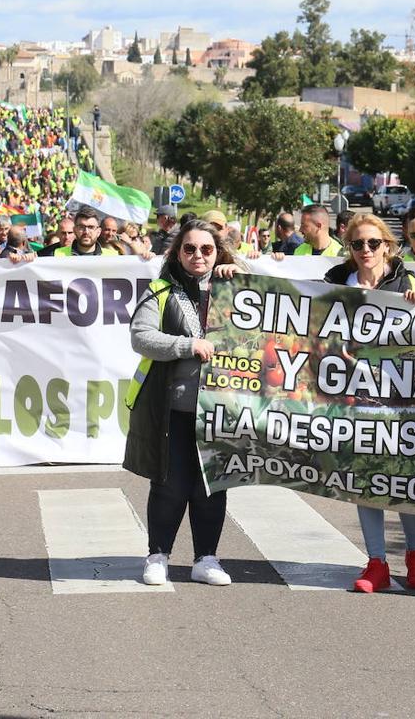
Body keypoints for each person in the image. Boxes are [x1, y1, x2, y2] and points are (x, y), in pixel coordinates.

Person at [322, 214, 415, 592]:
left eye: (373, 243)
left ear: (387, 245)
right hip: (355, 397)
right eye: (358, 245)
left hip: (403, 398)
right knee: (365, 478)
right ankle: (377, 563)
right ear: (349, 249)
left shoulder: (410, 282)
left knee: (405, 477)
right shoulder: (336, 283)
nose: (366, 251)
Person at [126, 219, 241, 587]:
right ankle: (158, 556)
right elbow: (141, 337)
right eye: (189, 248)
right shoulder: (160, 291)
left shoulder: (238, 288)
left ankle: (206, 558)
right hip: (173, 408)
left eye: (207, 249)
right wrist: (185, 346)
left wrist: (241, 275)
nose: (198, 256)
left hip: (222, 410)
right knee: (169, 485)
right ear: (177, 252)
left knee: (211, 487)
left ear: (217, 252)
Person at [53, 208, 119, 257]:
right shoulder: (58, 255)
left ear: (98, 232)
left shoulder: (112, 256)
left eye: (91, 227)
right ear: (75, 230)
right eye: (81, 227)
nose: (86, 232)